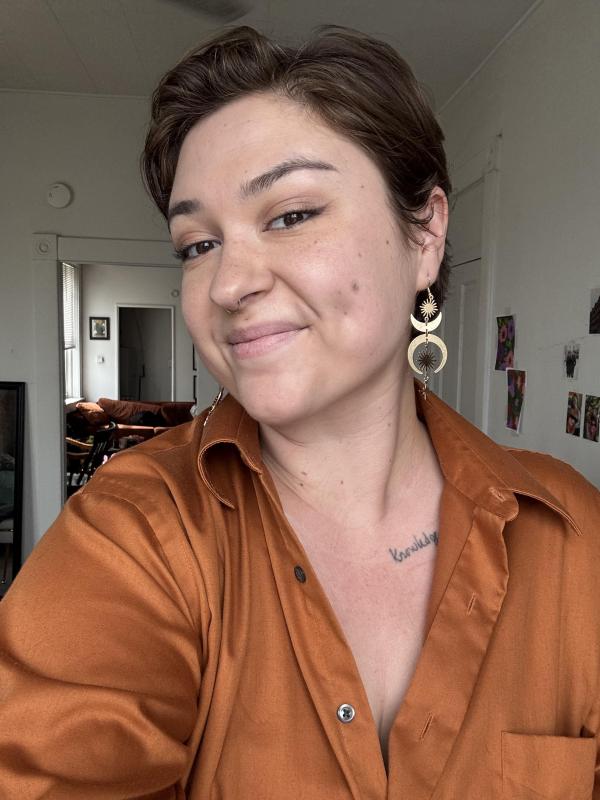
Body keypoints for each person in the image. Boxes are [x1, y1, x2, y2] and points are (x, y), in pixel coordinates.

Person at [1, 25, 600, 800]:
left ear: (424, 233)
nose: (226, 284)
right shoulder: (133, 532)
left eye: (289, 215)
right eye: (197, 244)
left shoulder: (574, 534)